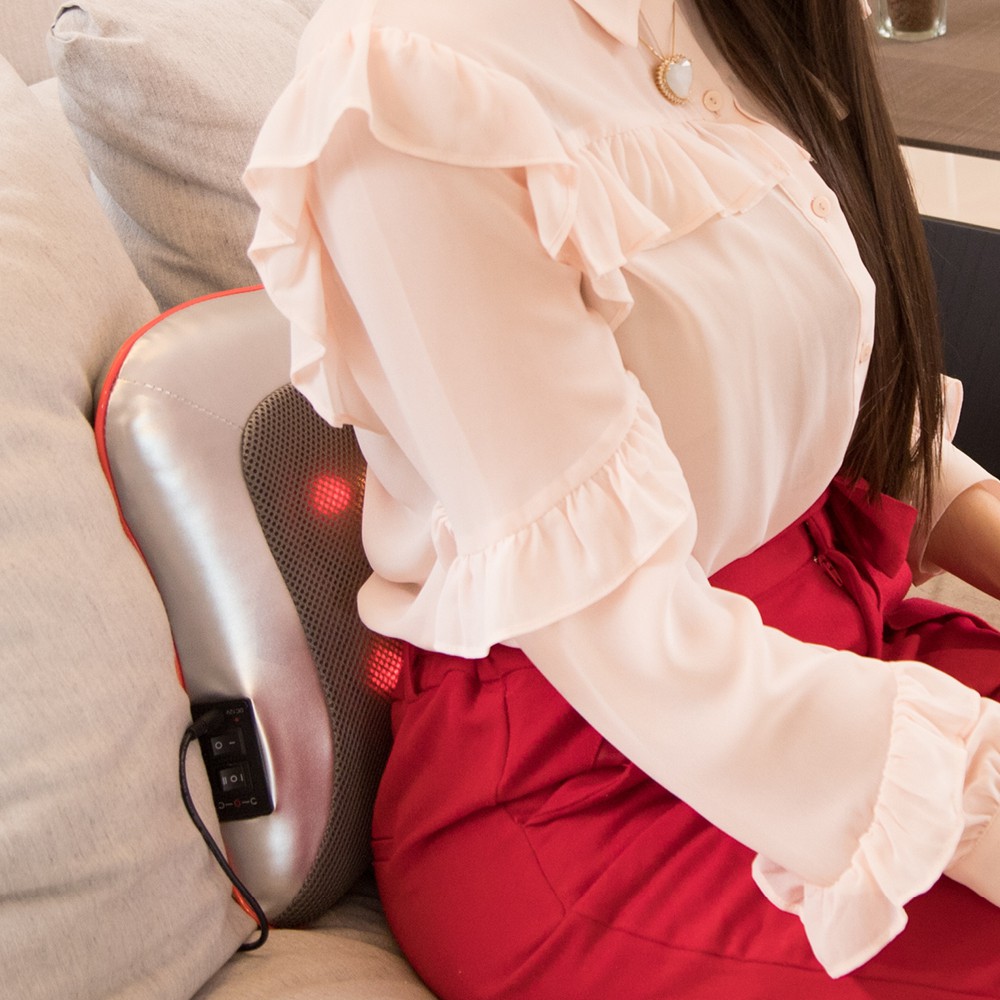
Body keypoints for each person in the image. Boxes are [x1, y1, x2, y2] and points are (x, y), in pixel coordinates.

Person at [244, 0, 1000, 996]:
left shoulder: (717, 20)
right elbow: (615, 633)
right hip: (594, 782)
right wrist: (971, 790)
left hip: (836, 649)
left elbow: (813, 391)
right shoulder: (407, 84)